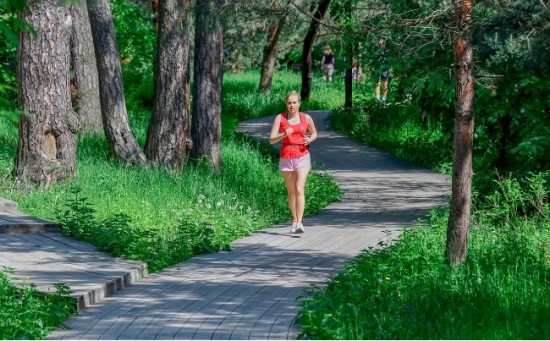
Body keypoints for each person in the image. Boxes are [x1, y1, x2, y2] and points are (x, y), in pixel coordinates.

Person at [269, 91, 318, 234]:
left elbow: (314, 133)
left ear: (299, 103)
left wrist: (309, 139)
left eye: (294, 102)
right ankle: (294, 220)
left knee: (299, 189)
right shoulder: (280, 118)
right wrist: (283, 134)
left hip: (302, 155)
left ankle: (300, 223)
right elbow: (271, 139)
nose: (291, 105)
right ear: (286, 103)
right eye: (289, 103)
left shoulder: (306, 118)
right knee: (291, 192)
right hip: (286, 156)